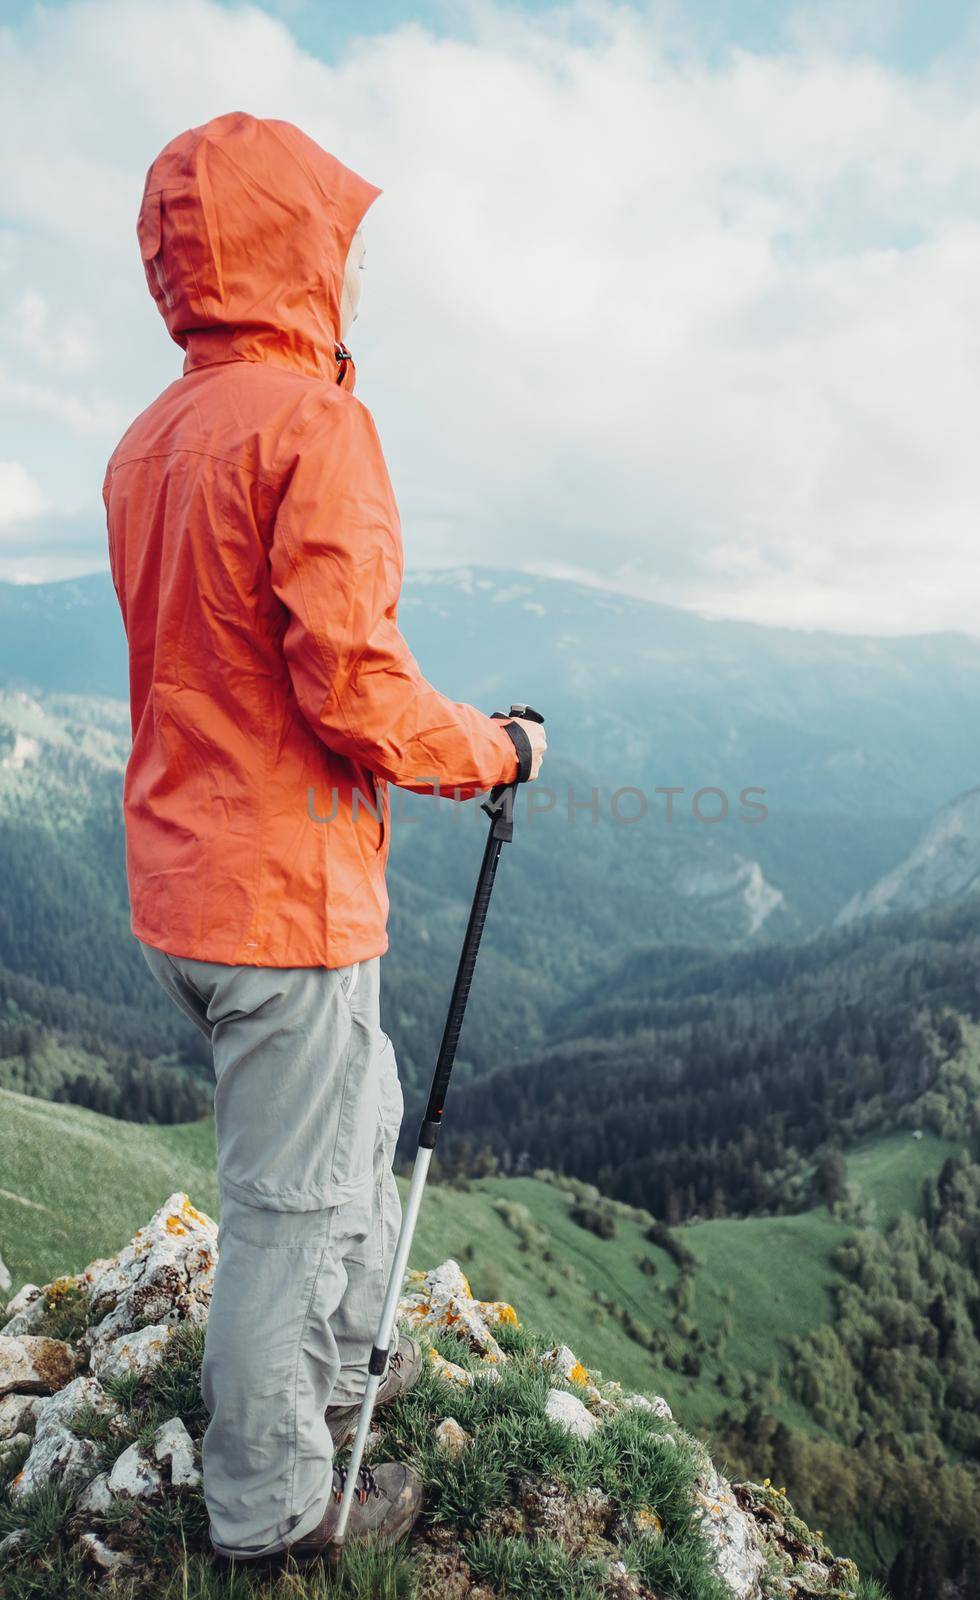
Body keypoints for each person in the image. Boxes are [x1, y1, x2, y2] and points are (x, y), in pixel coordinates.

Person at [102, 110, 547, 1567]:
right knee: (289, 1207)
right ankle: (275, 1506)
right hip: (278, 904)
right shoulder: (315, 427)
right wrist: (496, 748)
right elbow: (350, 684)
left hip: (182, 884)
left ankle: (344, 1363)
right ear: (295, 256)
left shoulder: (147, 441)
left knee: (358, 1119)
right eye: (338, 246)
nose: (354, 277)